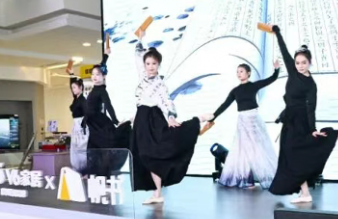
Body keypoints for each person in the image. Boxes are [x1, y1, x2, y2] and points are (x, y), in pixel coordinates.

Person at [268, 25, 338, 203]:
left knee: (295, 156)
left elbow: (311, 108)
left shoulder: (311, 84)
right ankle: (305, 193)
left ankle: (332, 135)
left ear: (310, 63)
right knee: (289, 156)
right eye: (297, 63)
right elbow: (284, 51)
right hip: (289, 120)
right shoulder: (293, 72)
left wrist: (312, 129)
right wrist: (277, 32)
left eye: (303, 63)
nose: (300, 66)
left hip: (300, 122)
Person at [131, 42, 209, 204]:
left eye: (154, 64)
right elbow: (138, 56)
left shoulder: (160, 84)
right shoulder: (142, 76)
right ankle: (157, 193)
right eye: (148, 63)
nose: (150, 67)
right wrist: (140, 39)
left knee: (152, 154)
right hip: (141, 120)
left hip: (153, 119)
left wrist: (171, 116)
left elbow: (166, 101)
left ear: (158, 65)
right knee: (144, 156)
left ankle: (197, 120)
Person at [204, 61, 280, 189]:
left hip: (254, 120)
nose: (239, 74)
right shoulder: (235, 91)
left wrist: (277, 70)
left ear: (248, 73)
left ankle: (270, 177)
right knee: (243, 151)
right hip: (243, 121)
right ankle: (247, 180)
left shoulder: (254, 86)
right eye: (237, 72)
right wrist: (213, 116)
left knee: (258, 149)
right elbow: (224, 105)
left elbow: (271, 79)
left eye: (241, 71)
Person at [84, 54, 132, 176]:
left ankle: (102, 174)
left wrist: (115, 121)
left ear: (103, 76)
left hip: (98, 122)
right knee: (93, 148)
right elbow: (102, 66)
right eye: (93, 74)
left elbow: (108, 105)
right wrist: (105, 56)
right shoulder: (95, 88)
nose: (94, 77)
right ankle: (93, 174)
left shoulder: (101, 90)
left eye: (98, 74)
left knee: (100, 148)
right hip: (92, 122)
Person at [66, 73, 89, 172]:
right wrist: (71, 75)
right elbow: (71, 84)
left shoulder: (83, 100)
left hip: (81, 126)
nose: (73, 90)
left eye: (75, 87)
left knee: (81, 149)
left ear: (81, 88)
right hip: (76, 125)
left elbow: (87, 113)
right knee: (74, 149)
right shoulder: (76, 99)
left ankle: (83, 170)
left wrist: (83, 126)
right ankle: (76, 169)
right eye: (72, 88)